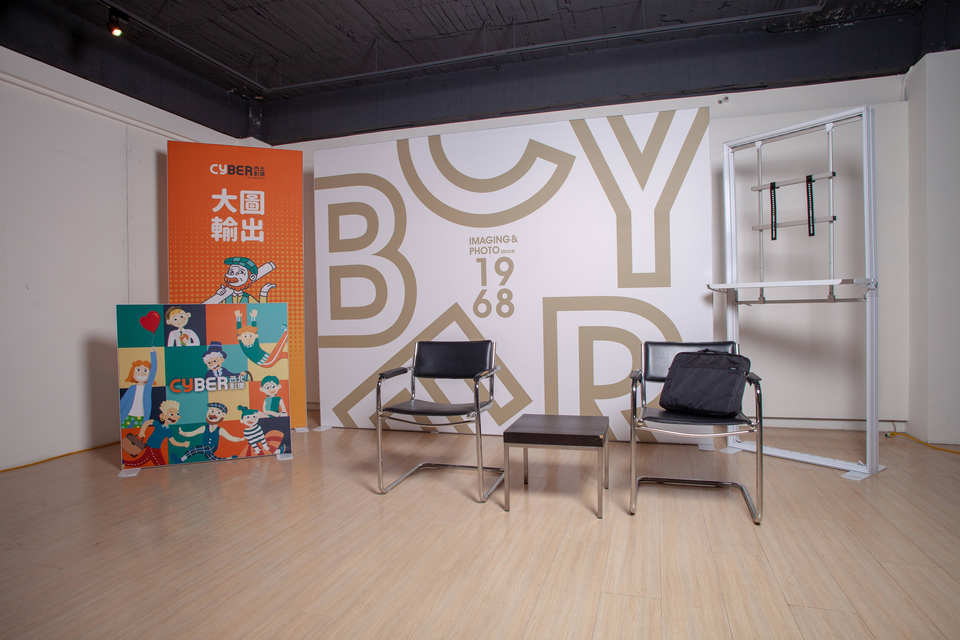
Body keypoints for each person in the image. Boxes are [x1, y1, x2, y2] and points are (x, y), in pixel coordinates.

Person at [123, 400, 190, 468]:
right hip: (153, 448)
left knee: (141, 462)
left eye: (177, 414)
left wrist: (183, 444)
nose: (175, 416)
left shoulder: (168, 431)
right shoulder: (158, 424)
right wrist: (142, 432)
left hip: (154, 448)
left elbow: (173, 442)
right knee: (160, 464)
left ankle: (124, 463)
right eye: (171, 414)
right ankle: (124, 463)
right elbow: (148, 422)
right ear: (163, 415)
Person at [179, 402, 245, 462]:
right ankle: (230, 458)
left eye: (218, 412)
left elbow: (230, 437)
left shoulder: (220, 430)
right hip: (204, 447)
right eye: (211, 411)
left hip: (212, 448)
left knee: (196, 448)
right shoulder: (204, 428)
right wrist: (183, 433)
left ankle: (181, 459)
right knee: (214, 459)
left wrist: (240, 439)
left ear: (222, 415)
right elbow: (192, 433)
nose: (213, 414)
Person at [210, 256, 275, 304]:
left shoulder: (248, 298)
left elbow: (261, 310)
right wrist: (218, 296)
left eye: (240, 272)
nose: (234, 276)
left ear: (252, 277)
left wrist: (263, 293)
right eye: (231, 272)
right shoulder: (225, 297)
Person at [119, 349, 157, 430]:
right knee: (124, 433)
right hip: (128, 415)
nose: (141, 373)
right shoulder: (132, 388)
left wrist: (153, 353)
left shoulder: (147, 387)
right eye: (138, 370)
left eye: (145, 370)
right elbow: (123, 401)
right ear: (132, 373)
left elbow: (154, 369)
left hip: (141, 417)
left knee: (137, 435)